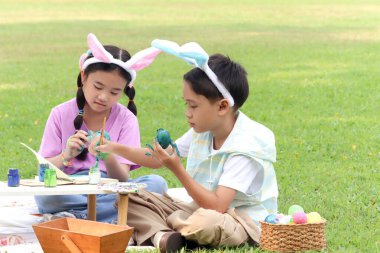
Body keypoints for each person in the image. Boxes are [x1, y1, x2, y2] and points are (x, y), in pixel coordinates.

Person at [96, 40, 278, 252]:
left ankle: (164, 229)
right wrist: (113, 147)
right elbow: (157, 158)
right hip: (196, 209)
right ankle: (164, 237)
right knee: (131, 198)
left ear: (222, 106)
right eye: (186, 104)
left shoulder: (246, 145)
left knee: (206, 222)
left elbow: (218, 206)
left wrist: (177, 170)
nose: (187, 112)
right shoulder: (202, 131)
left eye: (193, 105)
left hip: (239, 220)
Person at [35, 33, 168, 223]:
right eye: (98, 86)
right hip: (72, 188)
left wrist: (108, 155)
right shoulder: (59, 113)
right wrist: (66, 155)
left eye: (114, 92)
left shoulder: (126, 119)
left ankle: (74, 218)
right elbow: (43, 173)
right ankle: (114, 216)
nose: (104, 97)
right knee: (47, 197)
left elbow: (122, 180)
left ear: (125, 90)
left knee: (157, 184)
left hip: (110, 188)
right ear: (84, 77)